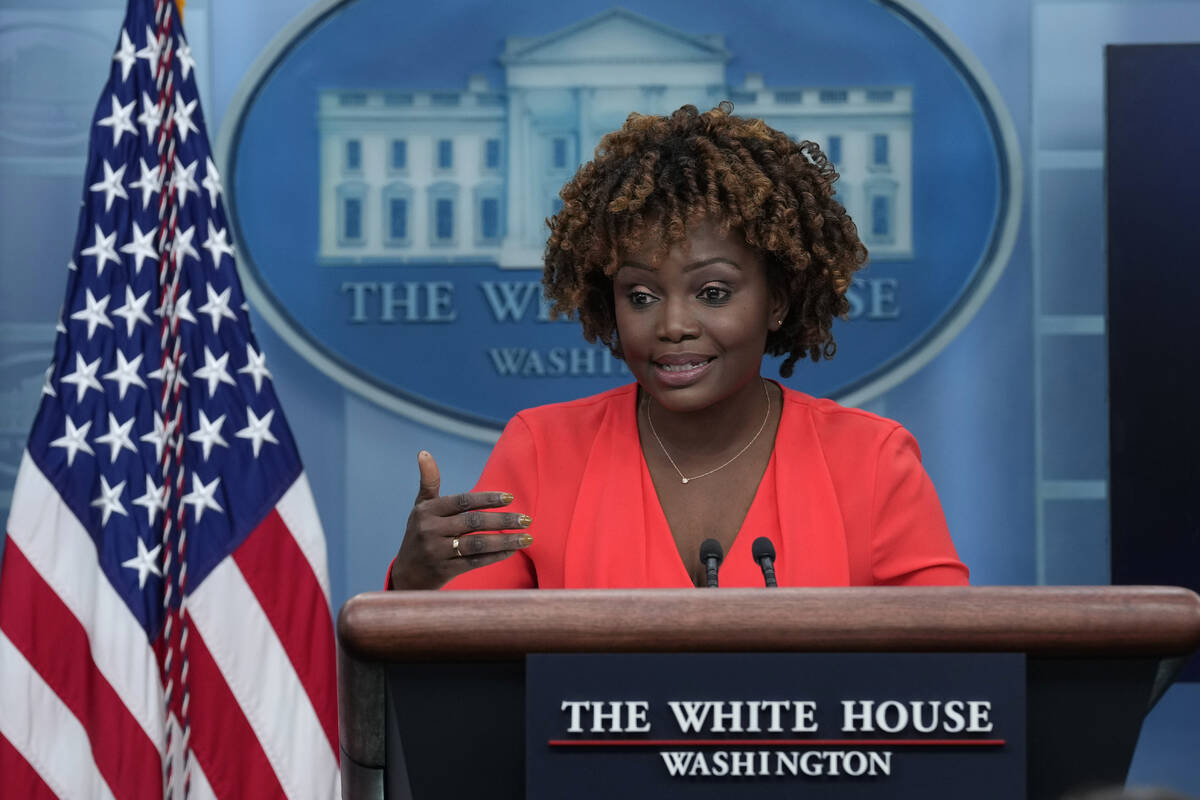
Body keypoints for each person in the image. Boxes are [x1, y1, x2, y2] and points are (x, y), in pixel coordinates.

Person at [388, 103, 968, 591]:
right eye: (639, 295)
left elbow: (954, 678)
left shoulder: (871, 463)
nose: (672, 325)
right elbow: (459, 669)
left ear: (778, 300)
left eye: (713, 292)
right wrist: (415, 584)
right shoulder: (542, 452)